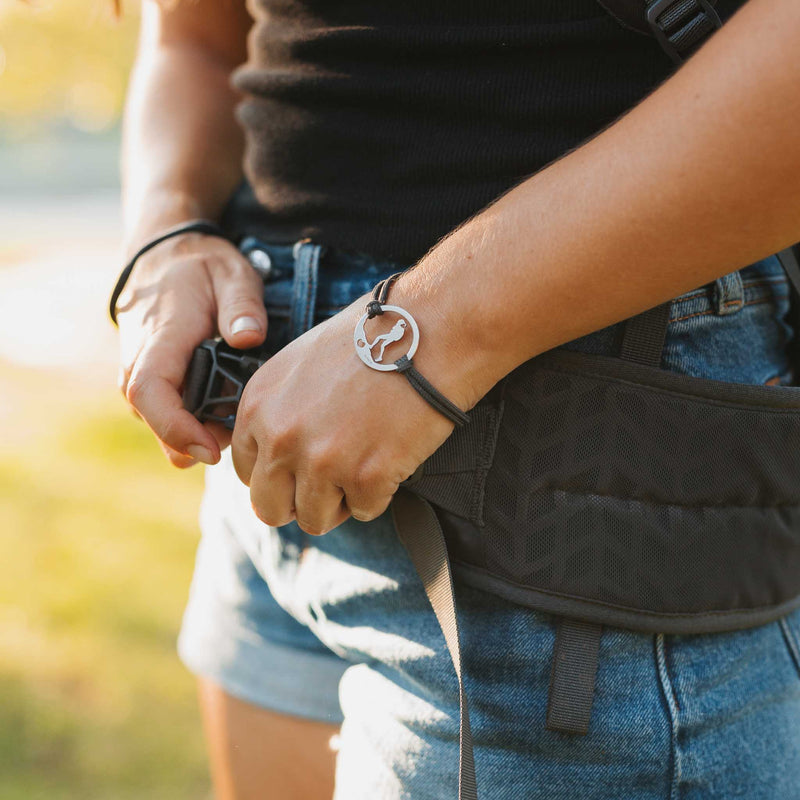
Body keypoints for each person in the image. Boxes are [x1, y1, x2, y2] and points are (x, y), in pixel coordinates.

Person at [114, 0, 800, 797]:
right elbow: (192, 38)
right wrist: (165, 233)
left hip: (565, 484)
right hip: (274, 438)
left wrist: (430, 335)